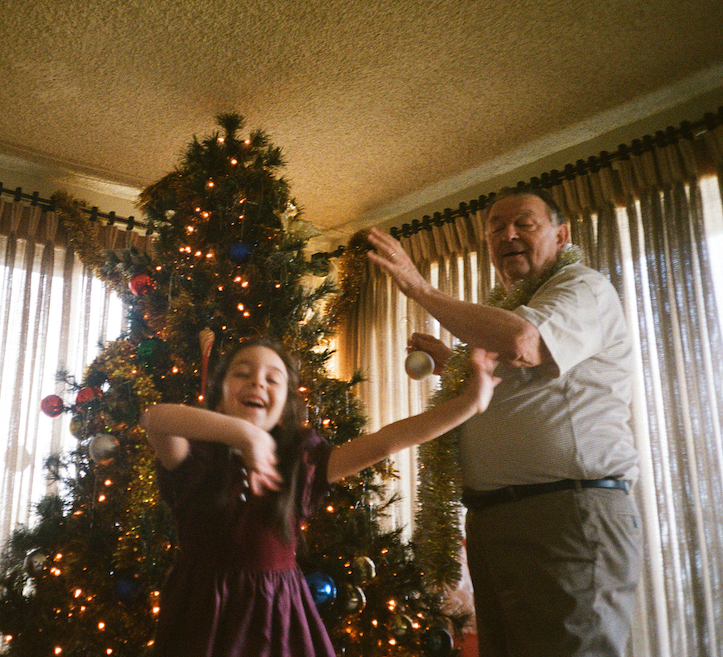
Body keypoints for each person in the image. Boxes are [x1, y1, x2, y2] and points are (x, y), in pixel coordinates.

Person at [367, 185, 642, 657]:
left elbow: (523, 343)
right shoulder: (511, 309)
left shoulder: (583, 286)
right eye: (496, 227)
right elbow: (510, 386)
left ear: (561, 235)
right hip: (495, 521)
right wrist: (453, 363)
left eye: (524, 223)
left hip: (566, 515)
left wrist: (419, 288)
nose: (507, 234)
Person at [141, 337, 499, 656]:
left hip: (277, 618)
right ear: (219, 392)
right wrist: (241, 434)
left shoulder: (303, 462)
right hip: (202, 615)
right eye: (242, 373)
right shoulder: (194, 457)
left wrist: (469, 403)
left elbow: (388, 440)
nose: (257, 382)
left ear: (285, 404)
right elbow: (155, 418)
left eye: (272, 378)